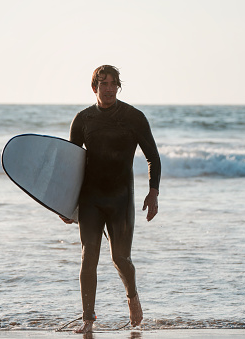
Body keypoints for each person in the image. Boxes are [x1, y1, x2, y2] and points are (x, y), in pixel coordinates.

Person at [60, 65, 161, 334]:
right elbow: (72, 164)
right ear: (94, 88)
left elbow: (153, 156)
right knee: (88, 256)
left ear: (118, 86)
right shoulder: (82, 120)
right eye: (102, 83)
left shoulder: (134, 117)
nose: (108, 88)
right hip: (91, 198)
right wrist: (67, 204)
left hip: (120, 199)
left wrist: (153, 192)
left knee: (120, 258)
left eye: (112, 83)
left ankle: (132, 297)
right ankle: (88, 319)